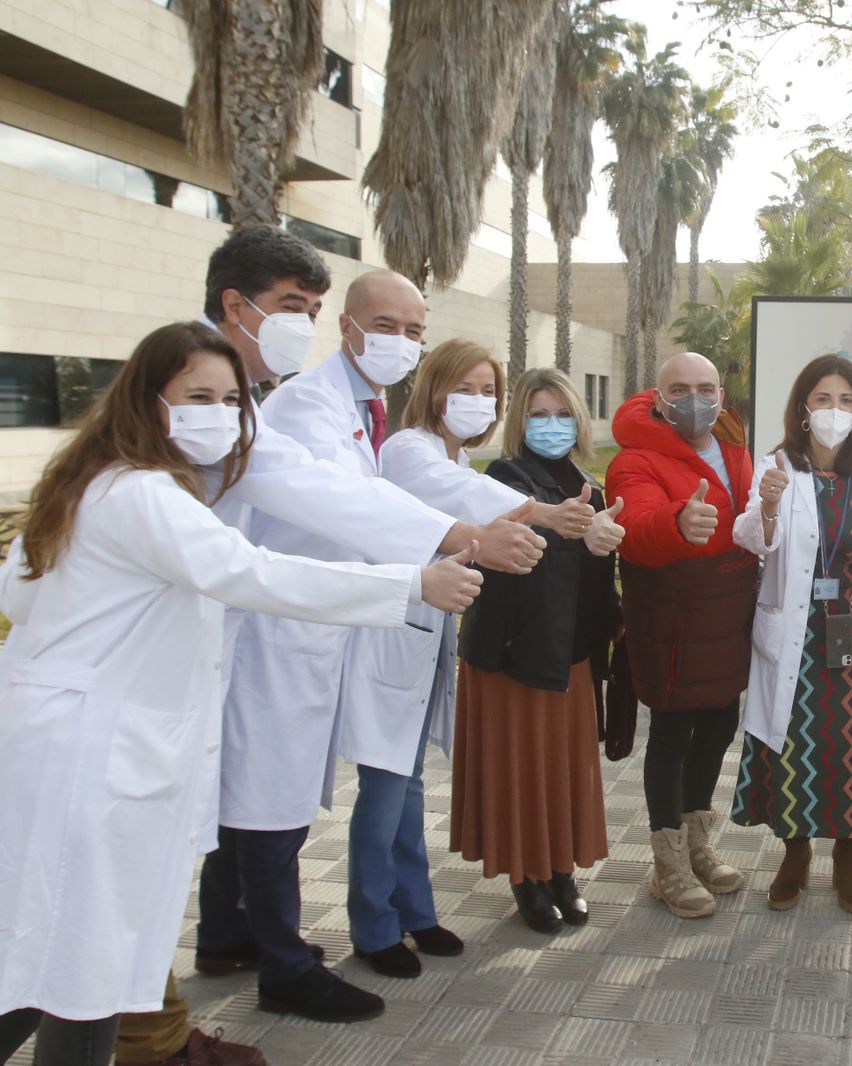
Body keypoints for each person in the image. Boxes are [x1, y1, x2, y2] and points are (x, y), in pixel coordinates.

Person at [114, 227, 543, 1066]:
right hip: (248, 640)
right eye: (291, 308)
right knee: (256, 807)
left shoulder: (275, 411)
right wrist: (453, 540)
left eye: (310, 308)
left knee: (238, 808)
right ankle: (279, 967)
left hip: (258, 633)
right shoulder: (285, 410)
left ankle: (218, 953)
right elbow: (311, 512)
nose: (300, 325)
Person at [0, 323, 481, 1066]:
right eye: (198, 396)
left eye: (230, 399)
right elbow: (250, 571)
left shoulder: (92, 482)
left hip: (81, 757)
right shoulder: (140, 494)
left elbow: (25, 598)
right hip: (89, 766)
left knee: (66, 968)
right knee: (78, 973)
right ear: (147, 400)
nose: (220, 413)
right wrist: (411, 580)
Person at [336, 340, 579, 976]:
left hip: (426, 636)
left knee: (408, 784)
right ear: (434, 389)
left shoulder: (455, 452)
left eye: (487, 392)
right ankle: (374, 926)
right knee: (385, 787)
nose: (478, 402)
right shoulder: (410, 449)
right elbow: (462, 494)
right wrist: (545, 513)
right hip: (391, 635)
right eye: (464, 389)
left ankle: (415, 911)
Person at [730, 354, 852, 914]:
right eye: (824, 399)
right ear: (804, 410)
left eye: (846, 400)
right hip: (798, 642)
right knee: (796, 747)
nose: (835, 410)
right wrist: (770, 504)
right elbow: (753, 539)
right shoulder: (778, 464)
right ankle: (795, 851)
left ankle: (847, 855)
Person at [455, 366, 626, 932]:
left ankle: (560, 870)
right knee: (521, 770)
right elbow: (508, 563)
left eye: (560, 414)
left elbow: (591, 584)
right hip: (513, 657)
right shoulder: (500, 482)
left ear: (577, 419)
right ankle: (526, 878)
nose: (550, 425)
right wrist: (564, 534)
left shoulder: (589, 486)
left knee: (560, 770)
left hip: (570, 657)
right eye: (537, 414)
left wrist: (602, 547)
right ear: (519, 422)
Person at [606, 352, 757, 919]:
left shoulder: (736, 445)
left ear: (720, 393)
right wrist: (677, 524)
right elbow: (634, 528)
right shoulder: (634, 459)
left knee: (719, 724)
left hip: (727, 617)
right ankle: (667, 864)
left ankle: (698, 843)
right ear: (658, 396)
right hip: (673, 620)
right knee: (672, 733)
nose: (694, 399)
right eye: (680, 389)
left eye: (705, 387)